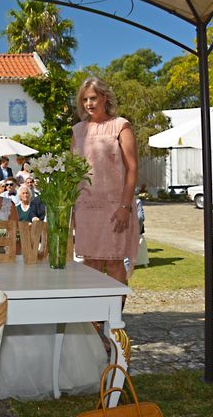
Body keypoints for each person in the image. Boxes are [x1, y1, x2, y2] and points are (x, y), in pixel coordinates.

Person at [0, 158, 105, 401]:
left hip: (8, 265)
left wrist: (10, 243)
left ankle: (45, 371)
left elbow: (15, 239)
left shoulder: (8, 204)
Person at [72, 77, 139, 285]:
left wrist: (125, 206)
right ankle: (94, 318)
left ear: (105, 97)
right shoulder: (77, 131)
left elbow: (133, 168)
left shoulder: (120, 125)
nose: (89, 104)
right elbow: (74, 172)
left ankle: (114, 317)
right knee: (90, 263)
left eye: (93, 98)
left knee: (114, 263)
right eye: (84, 100)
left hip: (114, 207)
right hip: (85, 207)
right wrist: (72, 208)